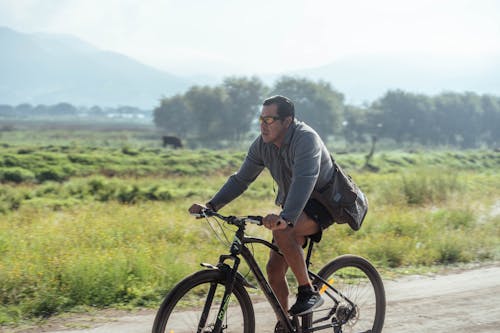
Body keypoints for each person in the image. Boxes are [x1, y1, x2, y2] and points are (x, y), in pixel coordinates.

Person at [189, 95, 337, 323]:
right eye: (261, 119)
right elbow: (241, 180)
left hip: (324, 202)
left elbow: (305, 179)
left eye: (270, 120)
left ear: (287, 121)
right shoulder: (262, 145)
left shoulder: (306, 139)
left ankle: (308, 291)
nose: (263, 125)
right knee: (274, 271)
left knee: (283, 230)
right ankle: (285, 324)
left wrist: (286, 218)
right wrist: (211, 206)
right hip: (294, 203)